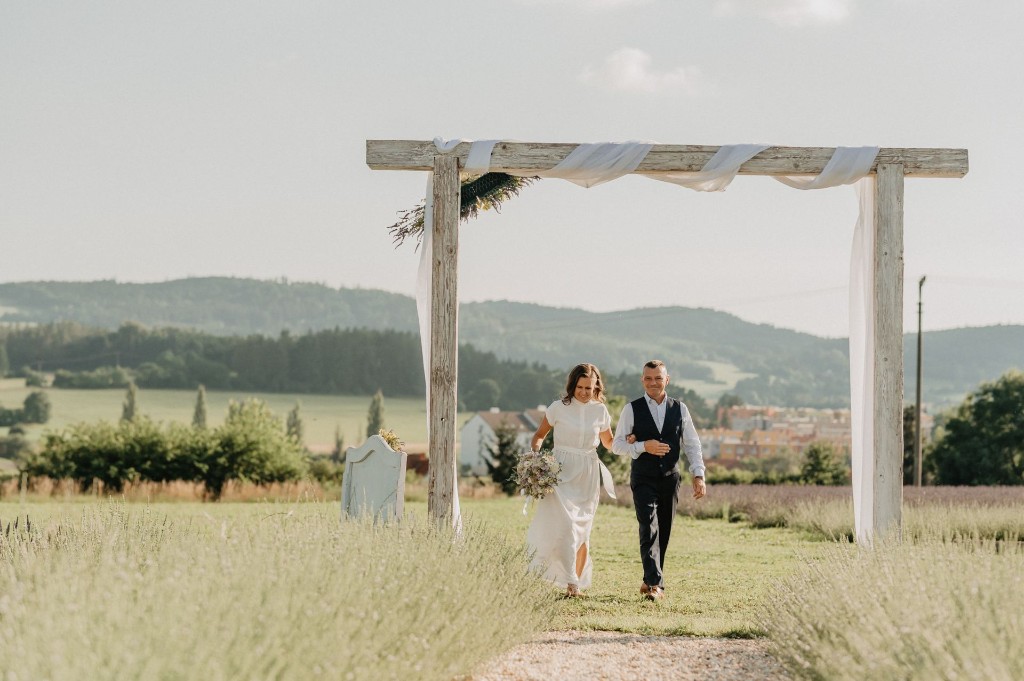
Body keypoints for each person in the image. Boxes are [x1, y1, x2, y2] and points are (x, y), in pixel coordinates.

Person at [612, 360, 706, 601]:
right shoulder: (631, 409)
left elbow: (692, 444)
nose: (653, 383)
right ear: (642, 380)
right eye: (648, 378)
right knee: (648, 527)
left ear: (667, 380)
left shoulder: (680, 409)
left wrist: (698, 474)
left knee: (664, 530)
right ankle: (656, 585)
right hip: (643, 477)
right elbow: (617, 445)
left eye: (658, 378)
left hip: (670, 478)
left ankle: (649, 579)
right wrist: (644, 446)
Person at [526, 363, 617, 598]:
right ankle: (569, 581)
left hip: (587, 473)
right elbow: (539, 436)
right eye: (580, 387)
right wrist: (536, 457)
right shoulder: (558, 408)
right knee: (564, 525)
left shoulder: (601, 411)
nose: (584, 392)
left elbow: (609, 443)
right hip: (560, 471)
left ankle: (573, 583)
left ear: (596, 387)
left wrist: (631, 440)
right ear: (572, 385)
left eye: (589, 388)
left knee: (582, 528)